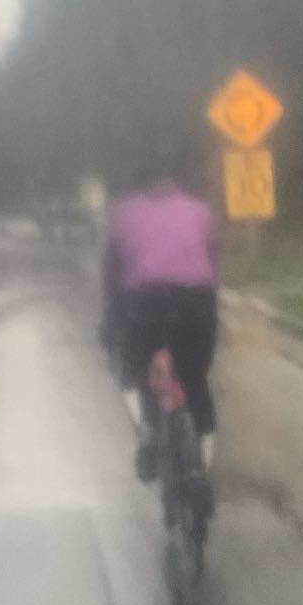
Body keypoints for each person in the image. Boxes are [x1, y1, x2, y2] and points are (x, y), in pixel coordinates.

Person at [101, 140, 219, 485]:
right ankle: (203, 442)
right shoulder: (199, 211)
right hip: (196, 303)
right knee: (195, 375)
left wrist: (110, 319)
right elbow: (212, 265)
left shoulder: (124, 213)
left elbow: (112, 274)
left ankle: (150, 431)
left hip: (144, 306)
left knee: (141, 373)